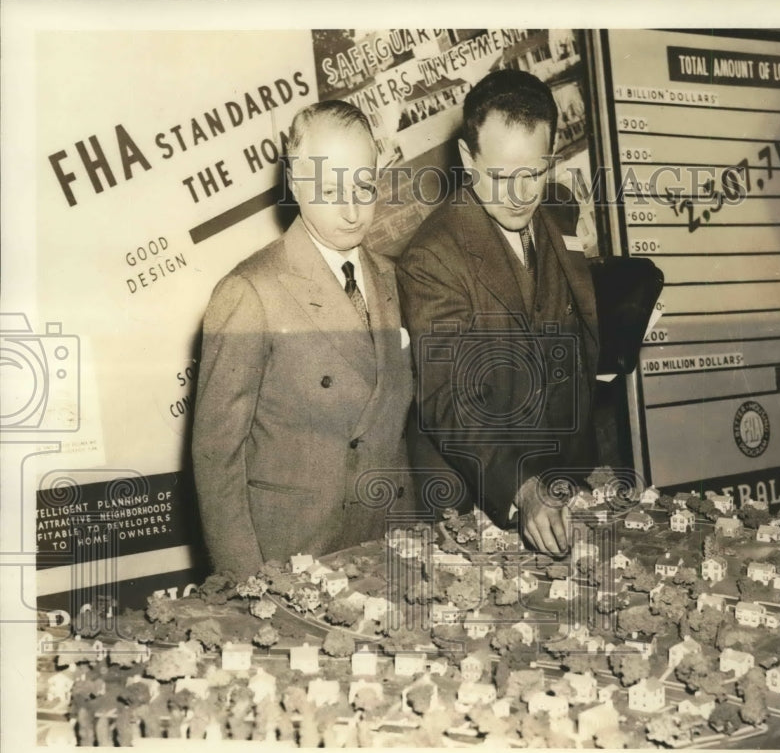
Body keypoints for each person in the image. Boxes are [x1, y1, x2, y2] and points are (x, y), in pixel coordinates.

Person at [192, 100, 413, 579]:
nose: (353, 209)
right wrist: (249, 584)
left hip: (384, 550)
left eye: (364, 185)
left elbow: (391, 439)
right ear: (294, 183)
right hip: (294, 560)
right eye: (330, 189)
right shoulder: (250, 292)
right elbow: (217, 459)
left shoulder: (390, 279)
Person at [397, 69, 599, 557]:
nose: (521, 194)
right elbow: (451, 400)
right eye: (502, 176)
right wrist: (523, 488)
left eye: (535, 172)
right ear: (468, 159)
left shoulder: (559, 210)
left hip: (560, 483)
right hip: (473, 501)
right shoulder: (432, 255)